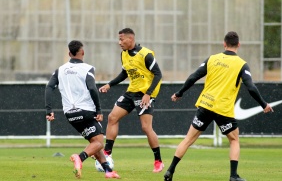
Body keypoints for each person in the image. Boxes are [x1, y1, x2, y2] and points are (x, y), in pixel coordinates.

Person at [163, 31, 274, 181]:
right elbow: (251, 88)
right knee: (234, 140)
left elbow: (194, 77)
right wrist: (263, 104)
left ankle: (170, 171)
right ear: (238, 45)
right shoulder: (241, 65)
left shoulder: (212, 59)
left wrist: (179, 93)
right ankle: (233, 176)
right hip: (223, 109)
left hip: (205, 105)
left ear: (224, 44)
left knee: (188, 139)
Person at [45, 40, 120, 179]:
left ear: (69, 53)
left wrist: (49, 110)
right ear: (83, 52)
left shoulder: (60, 70)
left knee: (94, 143)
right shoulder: (87, 68)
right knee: (99, 143)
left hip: (70, 114)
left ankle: (108, 171)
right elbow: (92, 88)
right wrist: (98, 110)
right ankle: (79, 157)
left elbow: (49, 87)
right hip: (85, 111)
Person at [99, 28, 164, 172]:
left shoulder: (146, 54)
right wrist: (110, 84)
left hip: (145, 94)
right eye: (119, 39)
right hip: (131, 92)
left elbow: (158, 74)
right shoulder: (124, 54)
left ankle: (158, 161)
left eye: (121, 39)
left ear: (130, 39)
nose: (119, 42)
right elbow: (124, 73)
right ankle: (107, 153)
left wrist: (148, 94)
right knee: (112, 118)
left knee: (146, 128)